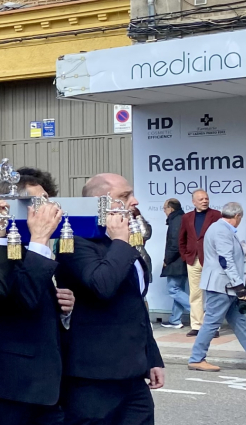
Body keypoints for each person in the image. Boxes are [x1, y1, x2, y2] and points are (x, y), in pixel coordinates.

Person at [56, 173, 164, 425]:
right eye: (124, 196)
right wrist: (120, 241)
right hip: (93, 377)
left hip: (133, 375)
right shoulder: (74, 241)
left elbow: (135, 305)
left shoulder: (122, 244)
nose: (134, 201)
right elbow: (102, 285)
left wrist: (153, 358)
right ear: (100, 202)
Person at [0, 195, 69, 425]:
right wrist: (40, 239)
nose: (45, 211)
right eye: (36, 204)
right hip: (11, 387)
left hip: (48, 387)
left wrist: (65, 309)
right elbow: (24, 297)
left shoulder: (38, 246)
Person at [187, 202, 246, 372]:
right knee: (211, 323)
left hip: (226, 286)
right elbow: (225, 259)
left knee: (241, 322)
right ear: (237, 217)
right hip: (222, 286)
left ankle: (197, 358)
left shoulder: (221, 228)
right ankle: (196, 358)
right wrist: (239, 286)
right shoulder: (221, 230)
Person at [180, 189, 221, 337]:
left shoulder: (216, 215)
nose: (205, 201)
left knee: (212, 294)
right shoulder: (187, 217)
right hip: (193, 259)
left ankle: (213, 327)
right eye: (201, 199)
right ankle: (197, 326)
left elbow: (221, 236)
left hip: (211, 260)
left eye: (206, 198)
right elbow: (182, 238)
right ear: (194, 202)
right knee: (195, 294)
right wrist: (185, 256)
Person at [161, 198, 190, 329]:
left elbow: (175, 243)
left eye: (164, 208)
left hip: (176, 261)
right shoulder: (182, 218)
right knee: (179, 289)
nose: (164, 211)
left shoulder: (176, 221)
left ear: (171, 209)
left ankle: (200, 312)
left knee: (173, 289)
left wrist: (167, 260)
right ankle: (175, 319)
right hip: (183, 260)